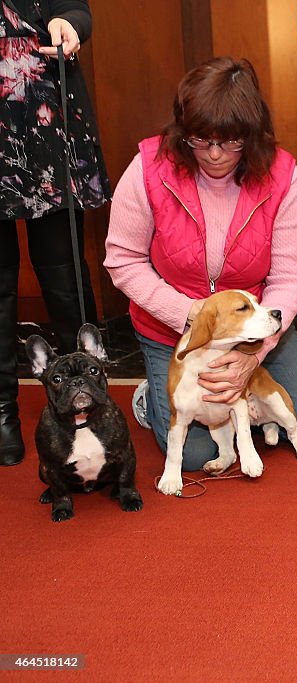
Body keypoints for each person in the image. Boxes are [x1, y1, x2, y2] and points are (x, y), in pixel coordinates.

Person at [104, 57, 297, 471]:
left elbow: (289, 276)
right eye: (200, 139)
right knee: (195, 456)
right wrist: (192, 315)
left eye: (230, 142)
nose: (213, 154)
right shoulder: (149, 168)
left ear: (251, 136)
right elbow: (123, 260)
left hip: (251, 325)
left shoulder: (284, 178)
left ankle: (237, 403)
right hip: (171, 331)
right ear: (182, 131)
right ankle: (150, 397)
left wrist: (254, 354)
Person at [1, 0, 110, 466]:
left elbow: (73, 7)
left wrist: (71, 24)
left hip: (45, 111)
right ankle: (4, 411)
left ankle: (88, 396)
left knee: (64, 274)